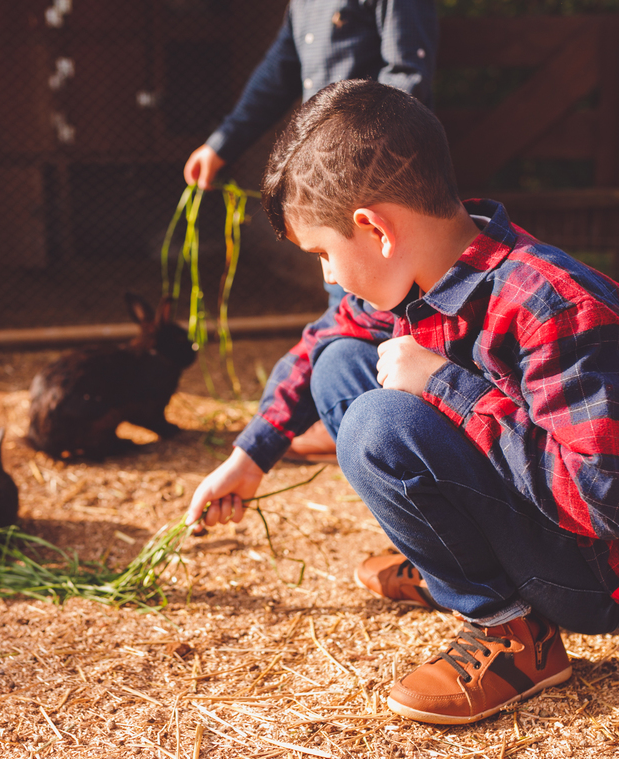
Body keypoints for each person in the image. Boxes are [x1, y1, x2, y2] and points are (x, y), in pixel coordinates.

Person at [184, 79, 619, 726]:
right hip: (537, 518)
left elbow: (600, 503)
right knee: (339, 365)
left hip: (601, 571)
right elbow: (325, 338)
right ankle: (457, 562)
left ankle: (514, 636)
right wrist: (251, 455)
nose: (328, 277)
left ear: (374, 230)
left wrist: (442, 385)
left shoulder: (560, 307)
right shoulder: (417, 275)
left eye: (323, 253)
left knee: (380, 422)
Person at [184, 0, 438, 463]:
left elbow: (407, 78)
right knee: (342, 323)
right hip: (329, 181)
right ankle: (347, 416)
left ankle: (399, 431)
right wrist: (224, 142)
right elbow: (278, 69)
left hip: (368, 175)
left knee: (380, 315)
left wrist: (363, 168)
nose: (323, 270)